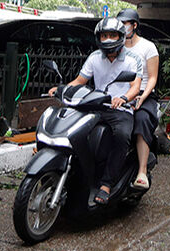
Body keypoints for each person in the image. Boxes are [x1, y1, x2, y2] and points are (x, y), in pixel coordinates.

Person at [48, 17, 141, 204]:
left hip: (120, 109)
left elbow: (135, 87)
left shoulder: (133, 59)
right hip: (95, 105)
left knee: (122, 136)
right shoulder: (94, 57)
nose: (108, 39)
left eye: (112, 35)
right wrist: (62, 88)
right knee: (74, 132)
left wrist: (123, 98)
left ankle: (106, 184)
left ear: (121, 36)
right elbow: (80, 80)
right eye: (104, 35)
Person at [117, 8, 159, 190]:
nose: (122, 27)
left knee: (142, 119)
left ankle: (142, 171)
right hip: (119, 93)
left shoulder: (148, 47)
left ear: (134, 25)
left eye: (125, 24)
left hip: (143, 93)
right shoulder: (115, 46)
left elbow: (152, 77)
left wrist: (142, 96)